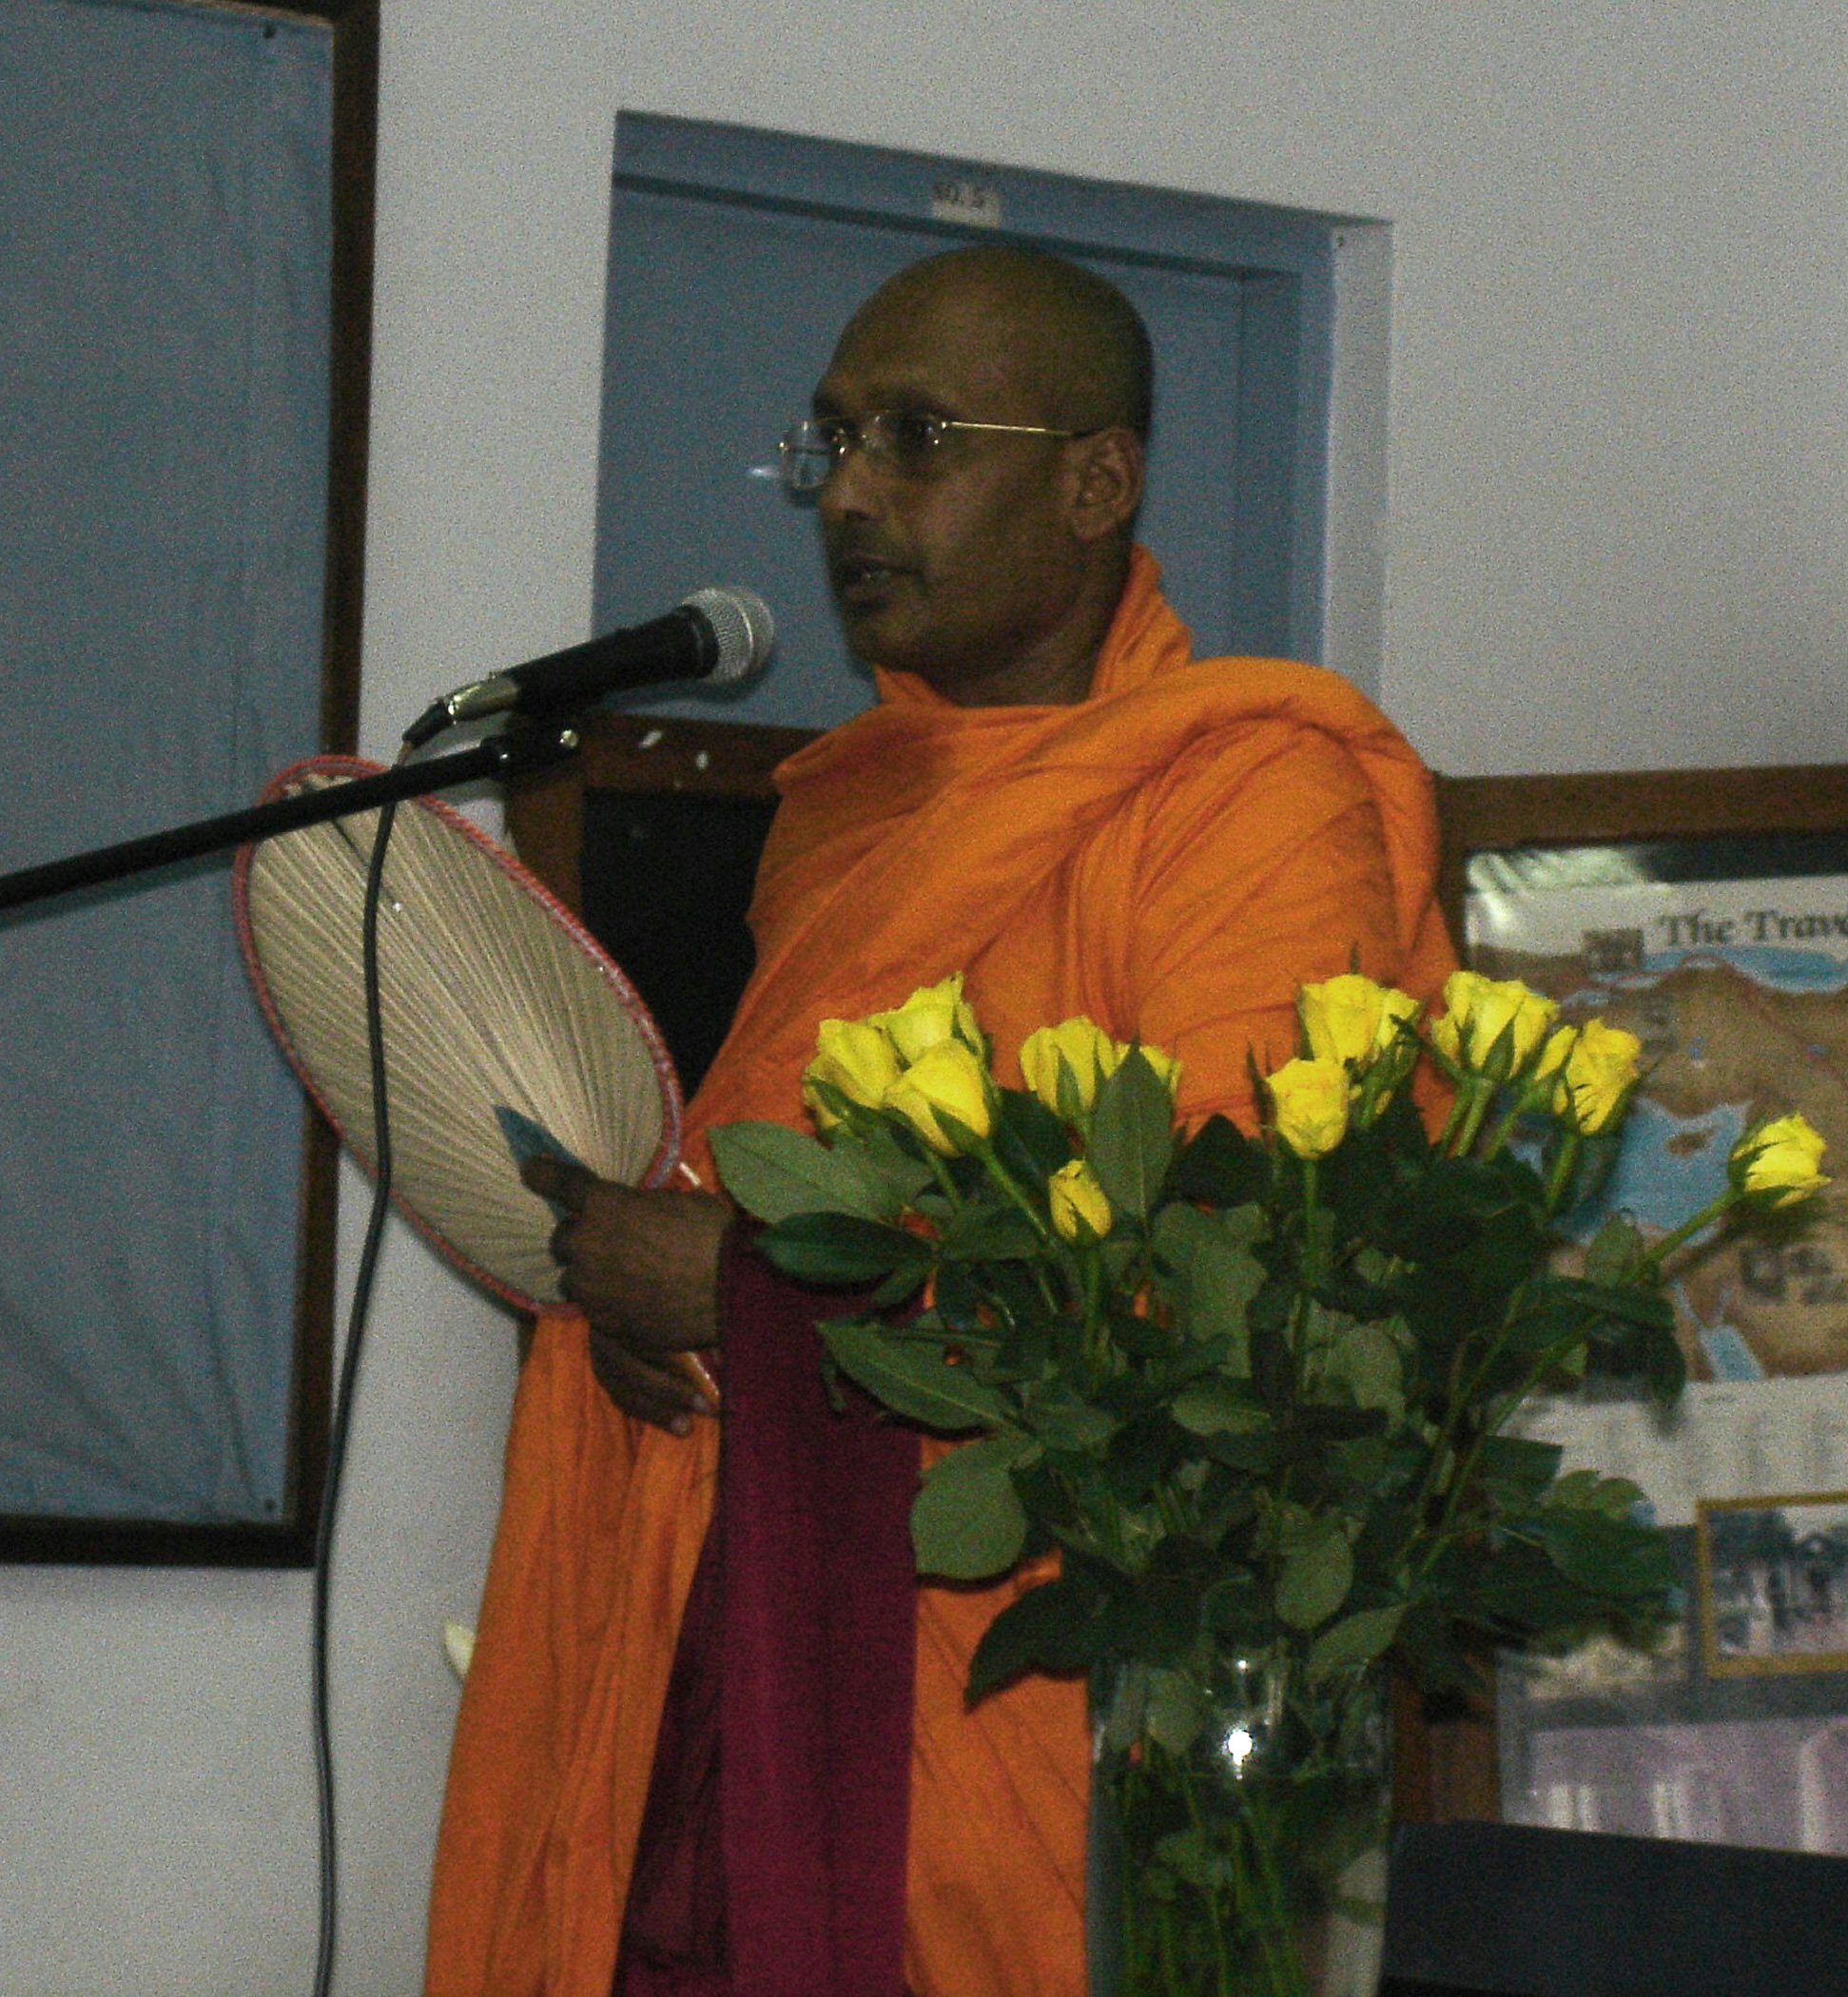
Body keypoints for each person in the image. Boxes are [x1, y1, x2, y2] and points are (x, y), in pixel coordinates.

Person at [425, 244, 1455, 1997]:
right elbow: (775, 1211)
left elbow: (1264, 1317)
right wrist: (663, 1316)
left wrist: (744, 1288)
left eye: (917, 438)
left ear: (1096, 483)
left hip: (1040, 1717)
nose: (852, 496)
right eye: (832, 442)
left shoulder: (1248, 804)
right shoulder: (849, 818)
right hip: (758, 1664)